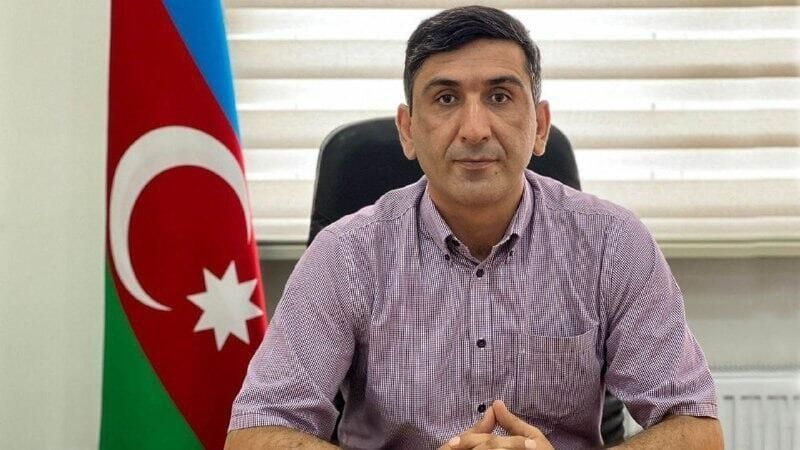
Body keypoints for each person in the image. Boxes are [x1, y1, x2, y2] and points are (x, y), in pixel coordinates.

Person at [225, 6, 723, 449]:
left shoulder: (612, 243)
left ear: (540, 126)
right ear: (408, 130)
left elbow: (697, 429)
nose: (475, 129)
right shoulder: (346, 254)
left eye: (500, 97)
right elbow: (255, 432)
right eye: (445, 99)